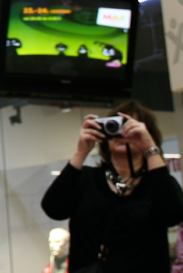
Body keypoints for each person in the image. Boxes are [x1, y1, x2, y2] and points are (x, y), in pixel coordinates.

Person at [41, 100, 183, 273]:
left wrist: (150, 148)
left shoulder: (157, 183)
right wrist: (81, 152)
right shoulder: (87, 178)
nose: (122, 134)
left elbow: (173, 215)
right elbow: (53, 209)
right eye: (114, 127)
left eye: (130, 128)